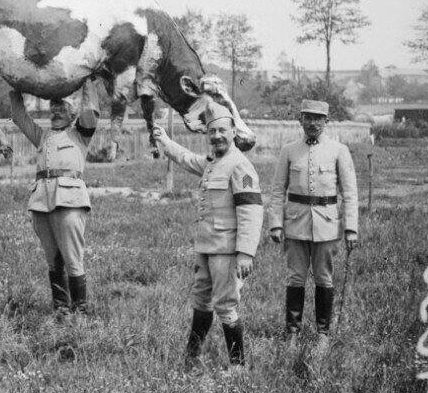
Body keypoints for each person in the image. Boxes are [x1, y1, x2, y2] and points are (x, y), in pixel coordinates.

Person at [152, 104, 263, 369]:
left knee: (225, 305)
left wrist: (245, 253)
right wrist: (165, 141)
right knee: (201, 300)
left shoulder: (240, 165)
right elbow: (187, 159)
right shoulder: (213, 163)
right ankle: (192, 359)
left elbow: (251, 211)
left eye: (222, 130)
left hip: (226, 250)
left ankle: (238, 368)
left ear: (234, 132)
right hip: (205, 247)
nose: (217, 136)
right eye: (212, 132)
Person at [268, 99, 358, 343]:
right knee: (295, 278)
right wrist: (276, 223)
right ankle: (292, 333)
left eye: (318, 119)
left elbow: (350, 193)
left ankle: (323, 334)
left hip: (327, 225)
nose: (313, 123)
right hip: (295, 224)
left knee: (324, 278)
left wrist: (351, 228)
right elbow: (277, 190)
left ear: (326, 121)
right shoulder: (288, 150)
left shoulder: (339, 150)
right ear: (300, 120)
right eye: (308, 118)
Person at [9, 80, 99, 317]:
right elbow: (18, 116)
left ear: (72, 114)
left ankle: (80, 312)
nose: (56, 111)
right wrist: (15, 82)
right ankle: (61, 310)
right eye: (53, 108)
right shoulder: (42, 136)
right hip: (41, 203)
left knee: (73, 259)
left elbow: (90, 111)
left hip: (70, 202)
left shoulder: (80, 134)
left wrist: (88, 82)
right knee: (53, 260)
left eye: (62, 108)